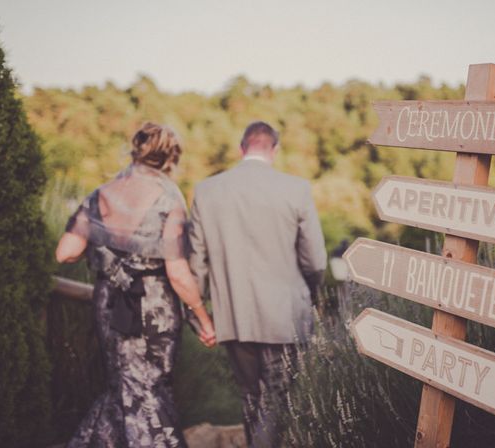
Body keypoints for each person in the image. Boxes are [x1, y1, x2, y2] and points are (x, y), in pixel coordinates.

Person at [56, 122, 215, 448]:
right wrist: (201, 314)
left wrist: (107, 251)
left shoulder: (101, 193)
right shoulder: (169, 197)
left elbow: (65, 252)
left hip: (109, 303)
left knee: (123, 387)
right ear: (171, 158)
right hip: (152, 309)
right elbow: (177, 272)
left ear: (135, 150)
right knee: (150, 388)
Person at [188, 121, 327, 447]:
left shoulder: (207, 190)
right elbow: (316, 261)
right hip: (285, 316)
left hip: (234, 316)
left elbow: (196, 261)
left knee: (252, 398)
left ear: (242, 148)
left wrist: (199, 315)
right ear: (274, 150)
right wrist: (314, 292)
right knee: (278, 401)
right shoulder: (296, 189)